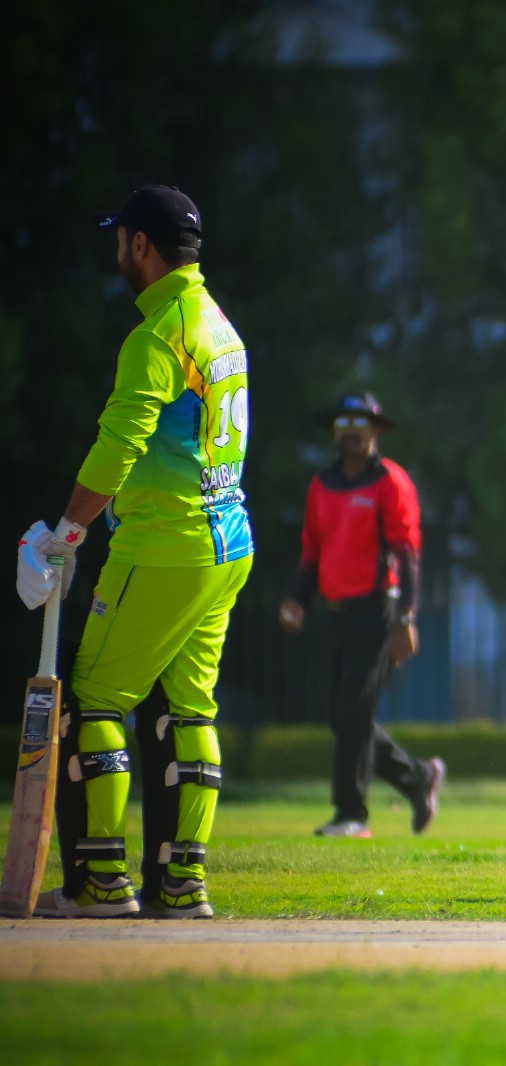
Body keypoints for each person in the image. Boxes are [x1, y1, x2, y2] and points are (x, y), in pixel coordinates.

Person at [16, 184, 253, 918]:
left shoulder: (157, 336)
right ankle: (183, 885)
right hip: (227, 543)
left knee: (95, 698)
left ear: (140, 245)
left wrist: (66, 533)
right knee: (190, 711)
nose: (117, 250)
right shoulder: (218, 324)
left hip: (163, 545)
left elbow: (118, 447)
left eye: (120, 238)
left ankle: (101, 882)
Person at [278, 392, 444, 839]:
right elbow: (312, 551)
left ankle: (352, 815)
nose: (350, 432)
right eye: (342, 423)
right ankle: (419, 777)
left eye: (359, 423)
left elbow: (407, 554)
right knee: (341, 717)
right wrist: (297, 601)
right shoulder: (322, 484)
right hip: (335, 613)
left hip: (377, 613)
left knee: (352, 710)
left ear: (374, 430)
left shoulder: (390, 482)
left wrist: (406, 619)